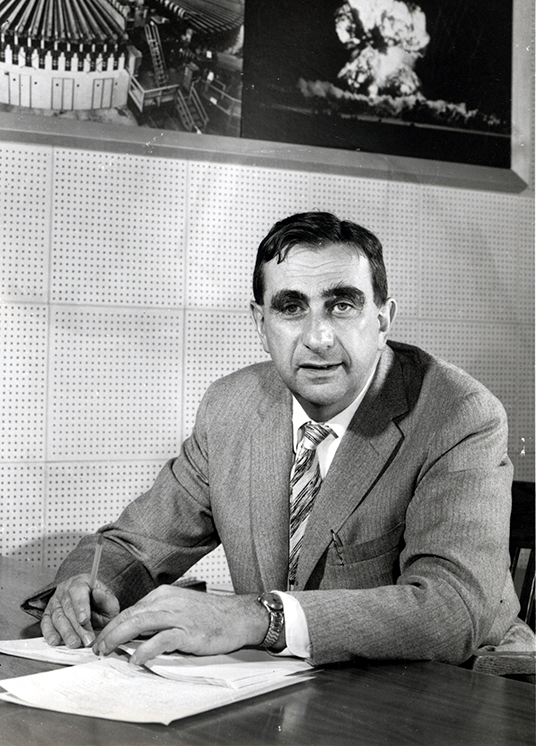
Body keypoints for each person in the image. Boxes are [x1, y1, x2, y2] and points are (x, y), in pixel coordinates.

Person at [23, 211, 530, 668]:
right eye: (291, 308)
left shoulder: (458, 413)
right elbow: (134, 546)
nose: (318, 337)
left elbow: (453, 607)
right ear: (261, 325)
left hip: (460, 685)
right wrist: (88, 586)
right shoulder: (231, 406)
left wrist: (255, 617)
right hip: (294, 686)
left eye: (342, 305)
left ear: (383, 318)